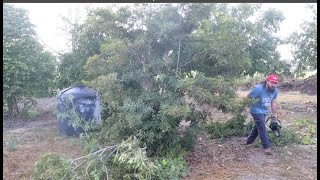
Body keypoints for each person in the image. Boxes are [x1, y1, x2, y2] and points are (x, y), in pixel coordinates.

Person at [245, 74, 280, 155]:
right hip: (255, 110)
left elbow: (273, 102)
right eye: (271, 82)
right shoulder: (258, 89)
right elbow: (248, 97)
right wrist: (246, 107)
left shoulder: (275, 90)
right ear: (267, 81)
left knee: (258, 127)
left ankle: (248, 142)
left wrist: (275, 114)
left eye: (275, 83)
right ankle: (266, 148)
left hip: (263, 111)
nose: (273, 85)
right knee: (262, 127)